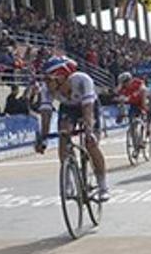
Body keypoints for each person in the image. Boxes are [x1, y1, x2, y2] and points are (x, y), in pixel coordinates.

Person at [38, 56, 109, 201]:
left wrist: (89, 130)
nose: (45, 83)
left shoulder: (82, 80)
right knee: (63, 135)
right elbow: (46, 113)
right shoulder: (46, 89)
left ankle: (103, 186)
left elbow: (88, 108)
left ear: (61, 76)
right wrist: (43, 138)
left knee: (91, 144)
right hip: (68, 108)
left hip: (89, 106)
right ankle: (68, 179)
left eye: (48, 79)